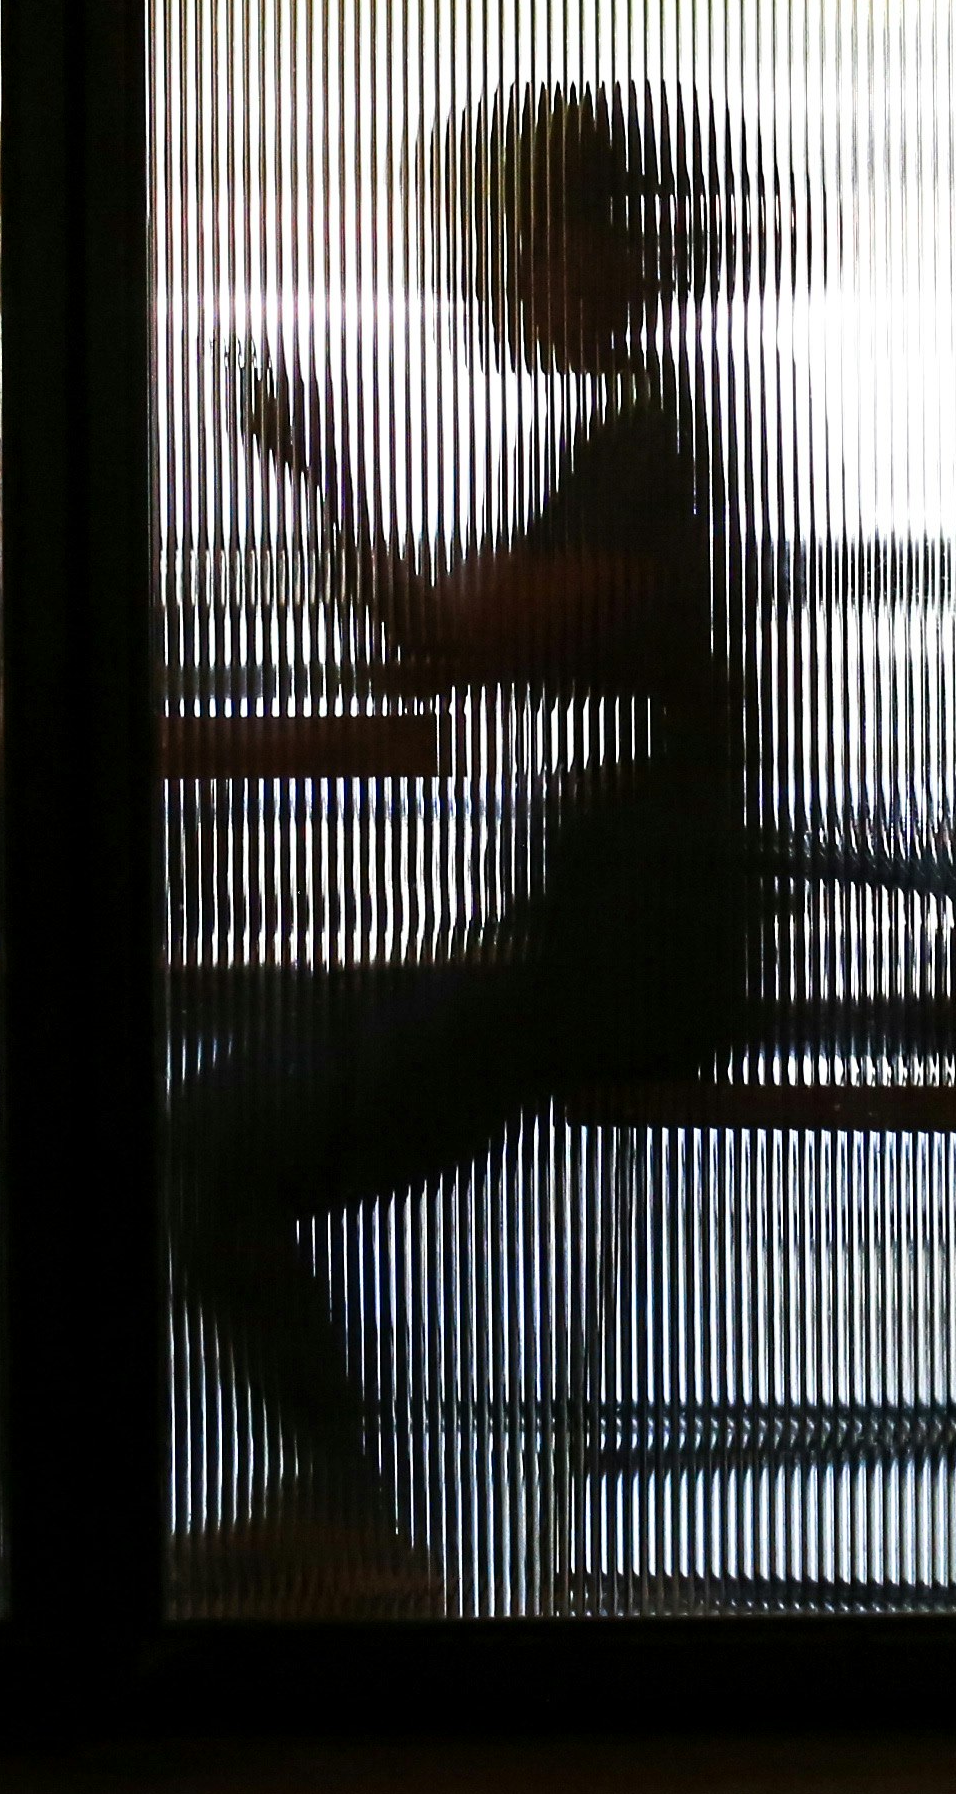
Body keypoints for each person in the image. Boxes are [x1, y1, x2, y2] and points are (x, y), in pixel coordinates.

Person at [166, 83, 808, 1617]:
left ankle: (346, 1517)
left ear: (612, 259)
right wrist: (318, 478)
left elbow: (459, 641)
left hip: (619, 960)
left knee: (205, 1143)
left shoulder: (659, 455)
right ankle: (338, 1506)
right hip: (607, 942)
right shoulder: (644, 447)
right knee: (225, 1117)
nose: (505, 280)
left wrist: (319, 476)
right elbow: (454, 647)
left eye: (529, 246)